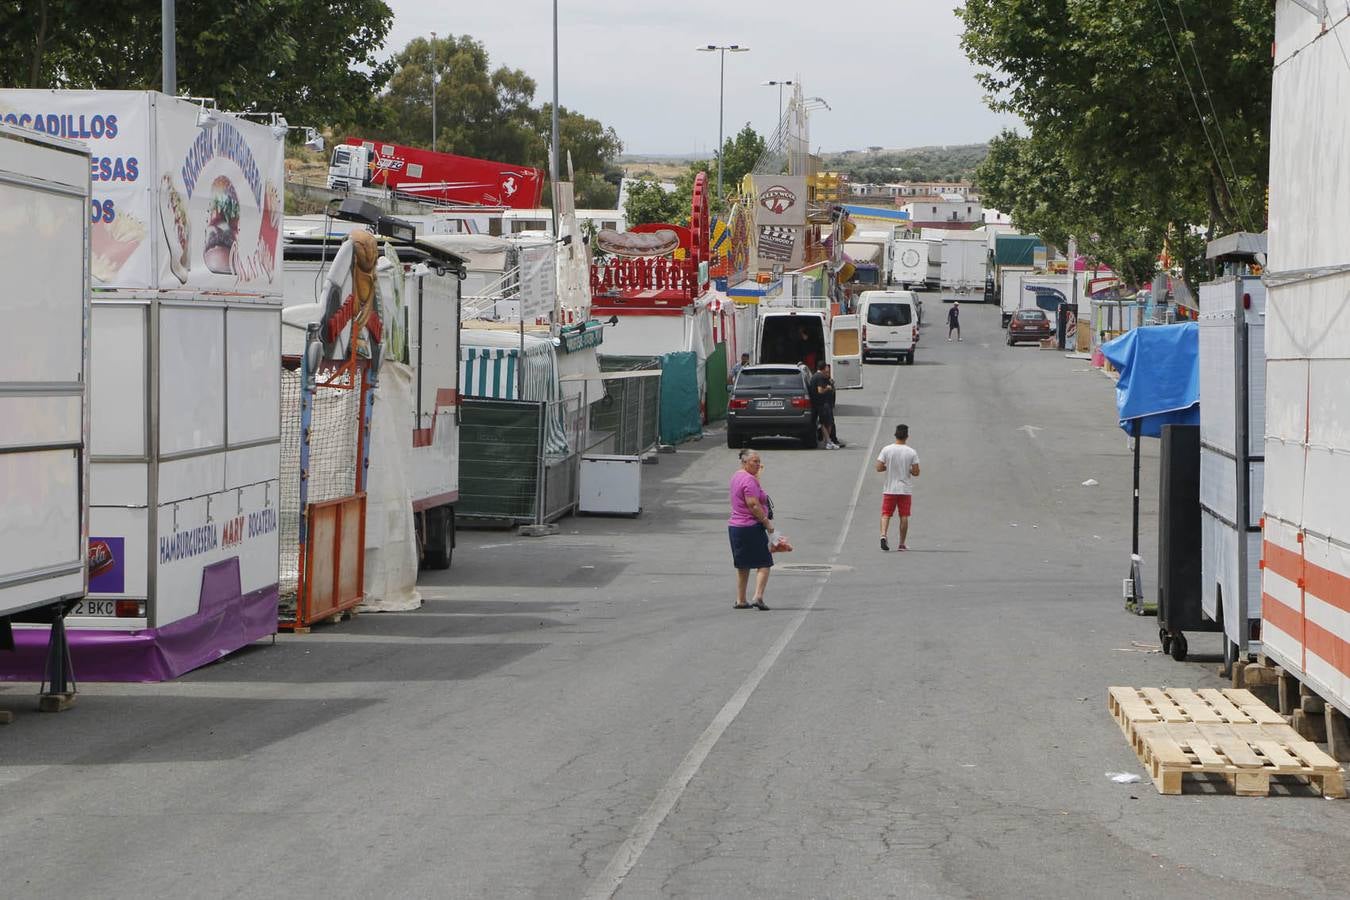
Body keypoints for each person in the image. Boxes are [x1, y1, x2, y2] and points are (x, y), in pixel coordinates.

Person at [728, 448, 774, 610]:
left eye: (759, 461)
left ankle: (741, 599)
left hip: (736, 526)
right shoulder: (749, 480)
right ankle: (758, 596)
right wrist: (766, 521)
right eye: (755, 461)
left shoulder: (737, 476)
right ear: (745, 462)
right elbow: (753, 504)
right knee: (764, 562)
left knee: (743, 564)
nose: (758, 464)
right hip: (750, 525)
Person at [875, 423, 921, 551]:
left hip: (890, 488)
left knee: (886, 514)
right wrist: (909, 471)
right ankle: (901, 544)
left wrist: (888, 467)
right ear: (907, 436)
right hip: (905, 489)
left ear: (895, 435)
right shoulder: (911, 452)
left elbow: (878, 467)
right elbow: (916, 472)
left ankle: (883, 535)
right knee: (904, 516)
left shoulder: (887, 449)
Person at [809, 362, 845, 449]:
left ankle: (828, 441)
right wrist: (827, 388)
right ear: (823, 368)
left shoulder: (816, 376)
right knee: (826, 423)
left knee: (826, 423)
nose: (828, 369)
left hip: (819, 403)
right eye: (827, 368)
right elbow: (820, 390)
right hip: (822, 403)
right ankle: (828, 442)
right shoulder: (820, 377)